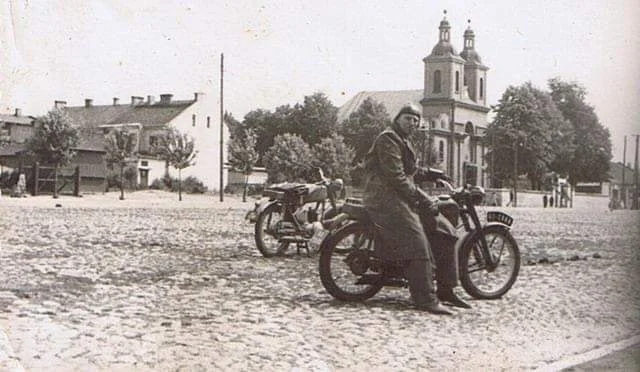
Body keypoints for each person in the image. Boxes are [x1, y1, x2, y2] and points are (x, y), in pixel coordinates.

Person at [362, 103, 470, 315]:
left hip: (400, 198)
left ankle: (446, 289)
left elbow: (409, 171)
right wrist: (423, 198)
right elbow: (397, 178)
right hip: (385, 199)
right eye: (407, 118)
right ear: (398, 118)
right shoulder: (387, 139)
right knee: (417, 242)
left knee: (446, 230)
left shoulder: (402, 140)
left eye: (415, 120)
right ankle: (425, 299)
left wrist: (433, 173)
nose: (412, 123)